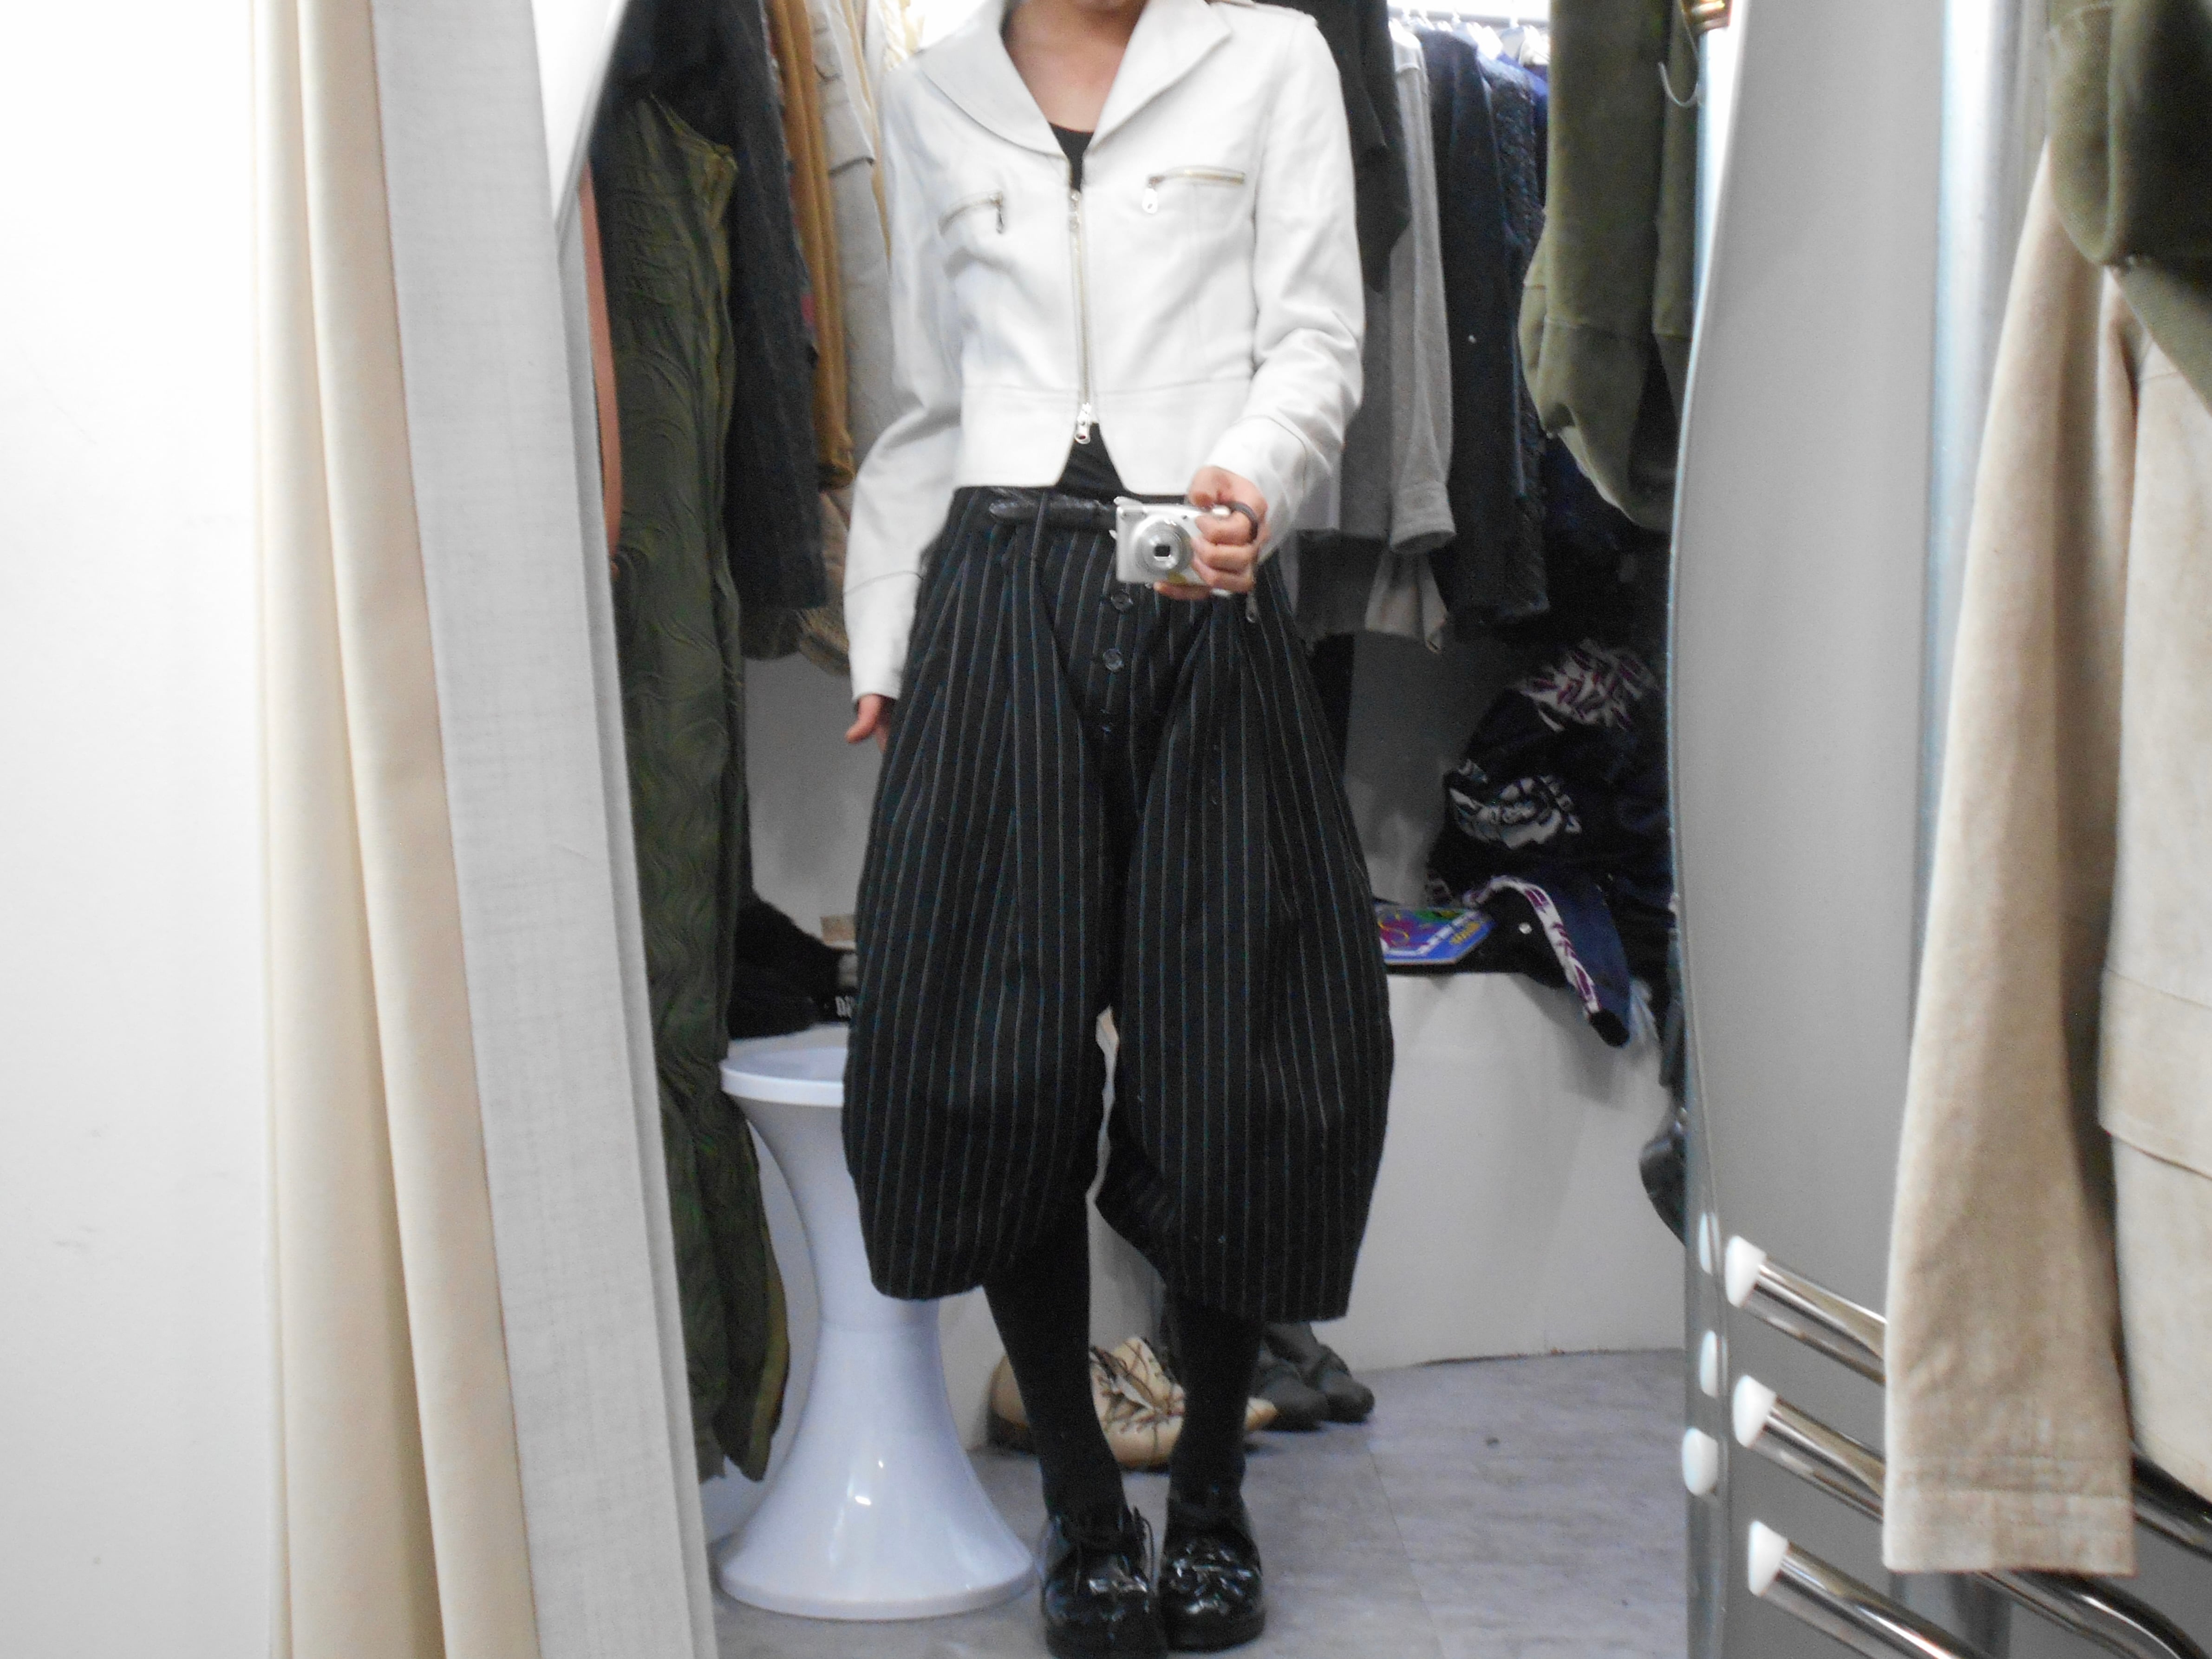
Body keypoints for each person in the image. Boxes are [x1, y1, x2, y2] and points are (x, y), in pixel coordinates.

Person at [840, 0, 1392, 1650]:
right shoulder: (928, 92)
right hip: (996, 595)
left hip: (1201, 587)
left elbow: (1317, 340)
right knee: (991, 1057)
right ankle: (1083, 1514)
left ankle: (1209, 1494)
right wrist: (885, 641)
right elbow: (923, 401)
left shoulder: (1268, 57)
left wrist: (1251, 479)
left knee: (1238, 1057)